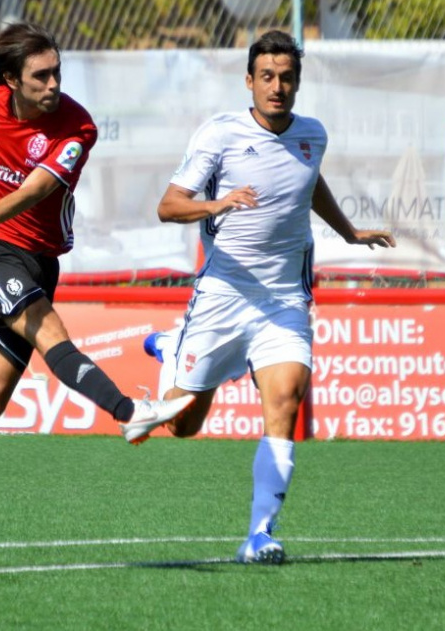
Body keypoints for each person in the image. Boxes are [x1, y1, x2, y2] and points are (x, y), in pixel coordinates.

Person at [0, 22, 193, 532]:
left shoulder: (78, 128)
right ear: (10, 79)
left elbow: (36, 189)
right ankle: (127, 412)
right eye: (41, 75)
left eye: (57, 72)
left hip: (36, 258)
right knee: (50, 330)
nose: (54, 84)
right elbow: (8, 195)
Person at [155, 30, 396, 564]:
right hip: (223, 293)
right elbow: (169, 206)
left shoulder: (312, 134)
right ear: (249, 80)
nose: (277, 86)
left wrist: (350, 232)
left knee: (285, 399)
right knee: (182, 424)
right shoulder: (219, 134)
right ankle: (171, 349)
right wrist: (219, 205)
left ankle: (260, 533)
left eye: (287, 77)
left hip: (284, 299)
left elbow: (308, 183)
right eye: (267, 76)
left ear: (298, 82)